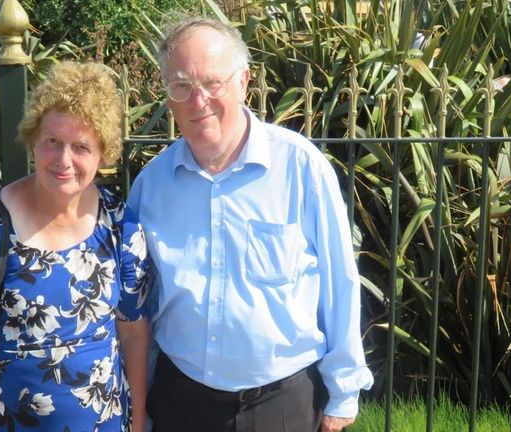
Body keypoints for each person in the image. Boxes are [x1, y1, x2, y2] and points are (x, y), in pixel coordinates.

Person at [127, 16, 373, 432]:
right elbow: (142, 303)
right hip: (181, 401)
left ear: (244, 81)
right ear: (168, 96)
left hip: (283, 403)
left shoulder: (299, 167)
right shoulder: (152, 186)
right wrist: (142, 401)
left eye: (212, 83)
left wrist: (344, 391)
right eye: (181, 86)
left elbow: (339, 281)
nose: (197, 100)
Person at [0, 61, 151, 432]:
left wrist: (137, 424)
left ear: (103, 154)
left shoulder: (121, 224)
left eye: (81, 147)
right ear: (33, 139)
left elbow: (133, 332)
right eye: (52, 141)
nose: (64, 160)